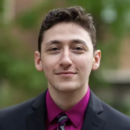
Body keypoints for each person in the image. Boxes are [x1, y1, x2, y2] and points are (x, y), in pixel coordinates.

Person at [0, 6, 130, 130]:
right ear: (39, 61)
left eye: (78, 48)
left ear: (95, 59)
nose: (66, 60)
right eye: (54, 49)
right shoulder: (5, 123)